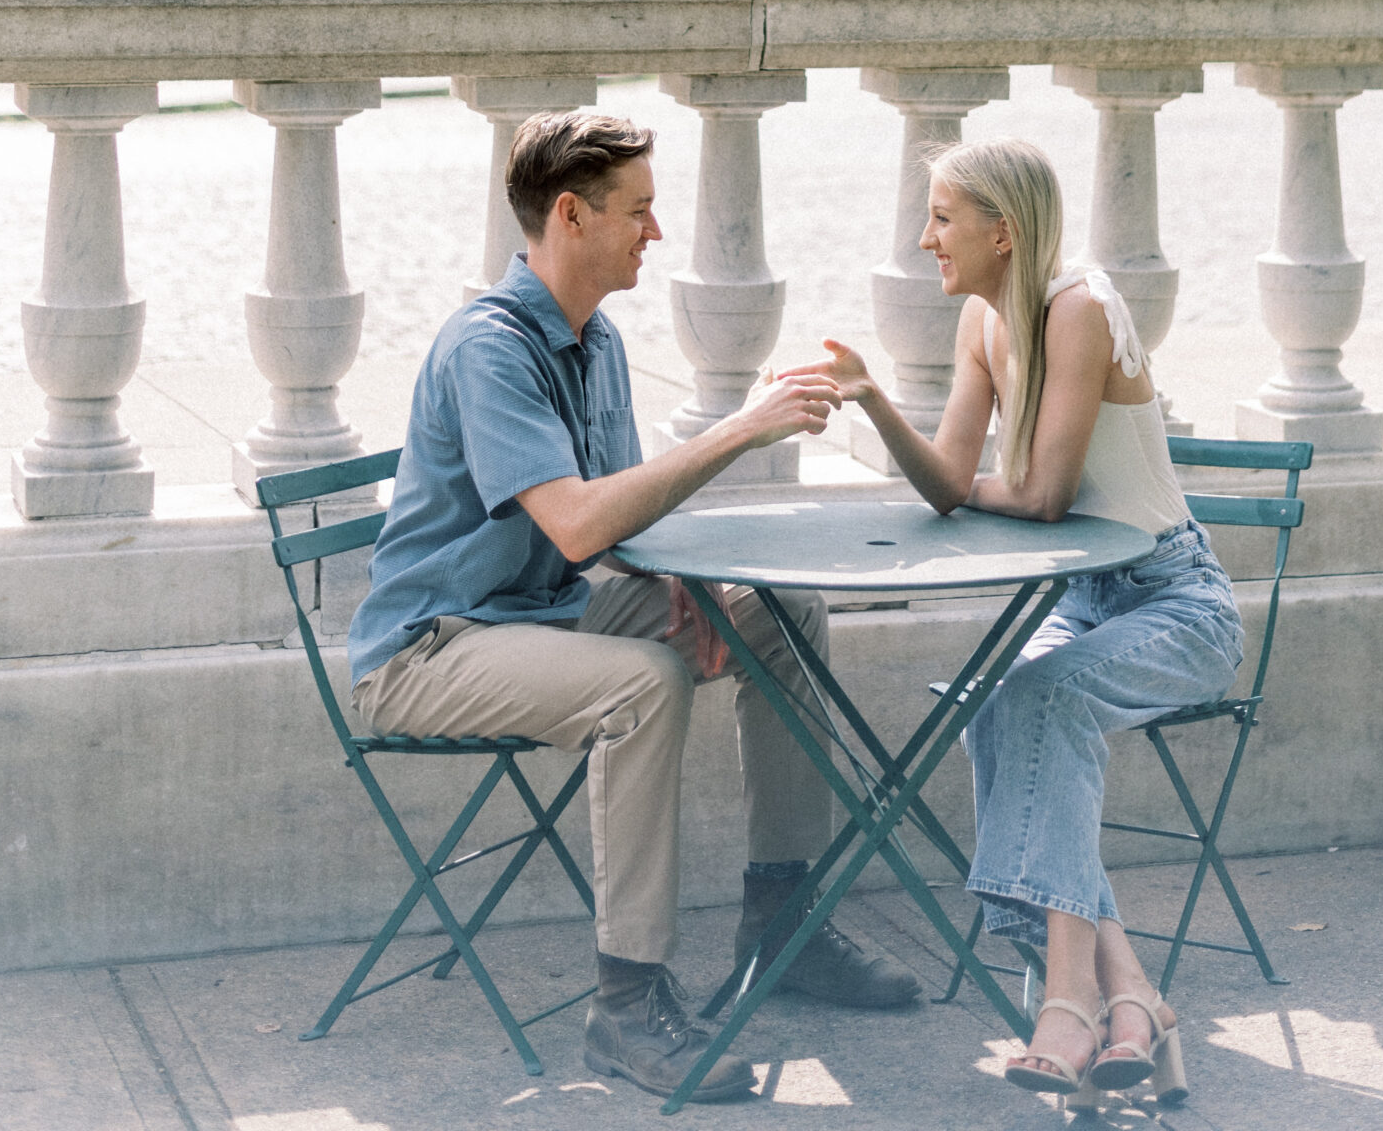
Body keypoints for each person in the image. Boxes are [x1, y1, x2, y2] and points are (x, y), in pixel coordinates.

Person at [346, 109, 919, 1104]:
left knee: (784, 617)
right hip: (432, 647)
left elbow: (621, 523)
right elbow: (574, 524)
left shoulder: (594, 339)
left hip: (535, 616)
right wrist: (739, 428)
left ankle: (782, 921)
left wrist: (683, 588)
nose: (655, 233)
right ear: (569, 215)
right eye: (639, 211)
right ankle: (626, 1006)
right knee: (645, 685)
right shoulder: (488, 346)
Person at [780, 135, 1242, 1110]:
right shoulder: (983, 326)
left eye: (941, 218)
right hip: (1081, 600)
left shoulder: (1075, 308)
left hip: (1175, 603)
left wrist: (980, 484)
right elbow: (953, 483)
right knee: (997, 702)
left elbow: (1037, 495)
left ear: (1002, 229)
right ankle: (1132, 1000)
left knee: (1038, 699)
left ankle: (1064, 998)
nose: (922, 237)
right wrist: (870, 400)